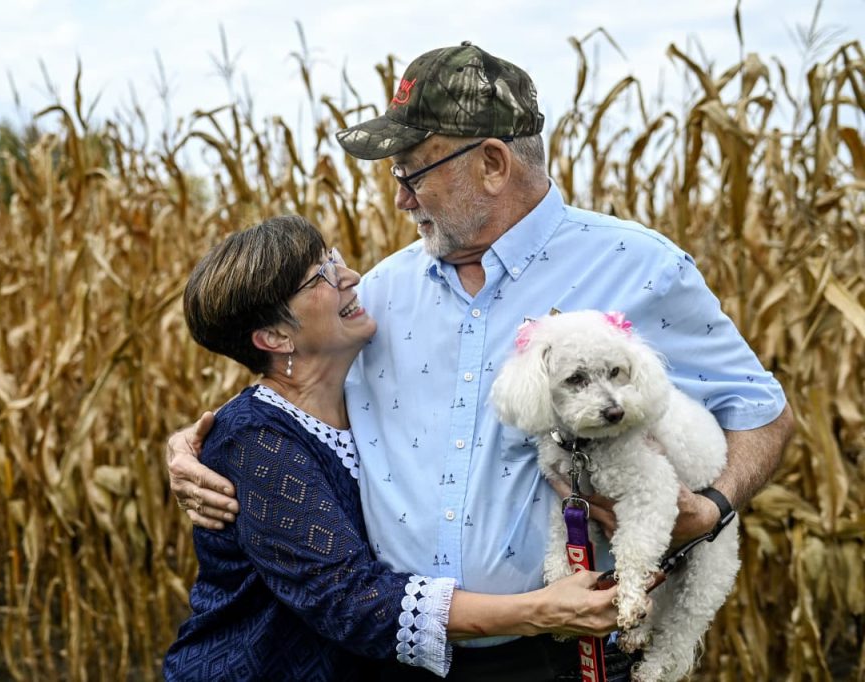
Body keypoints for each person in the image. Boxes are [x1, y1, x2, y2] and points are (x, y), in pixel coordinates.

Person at [168, 42, 794, 679]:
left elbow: (761, 410)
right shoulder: (380, 294)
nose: (402, 200)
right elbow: (292, 388)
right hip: (395, 660)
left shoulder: (640, 267)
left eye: (412, 173)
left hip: (567, 653)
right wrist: (202, 445)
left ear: (492, 164)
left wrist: (712, 507)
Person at [163, 215, 620, 682]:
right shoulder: (253, 439)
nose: (350, 276)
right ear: (276, 338)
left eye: (334, 258)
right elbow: (349, 599)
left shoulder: (362, 394)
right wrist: (538, 610)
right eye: (321, 276)